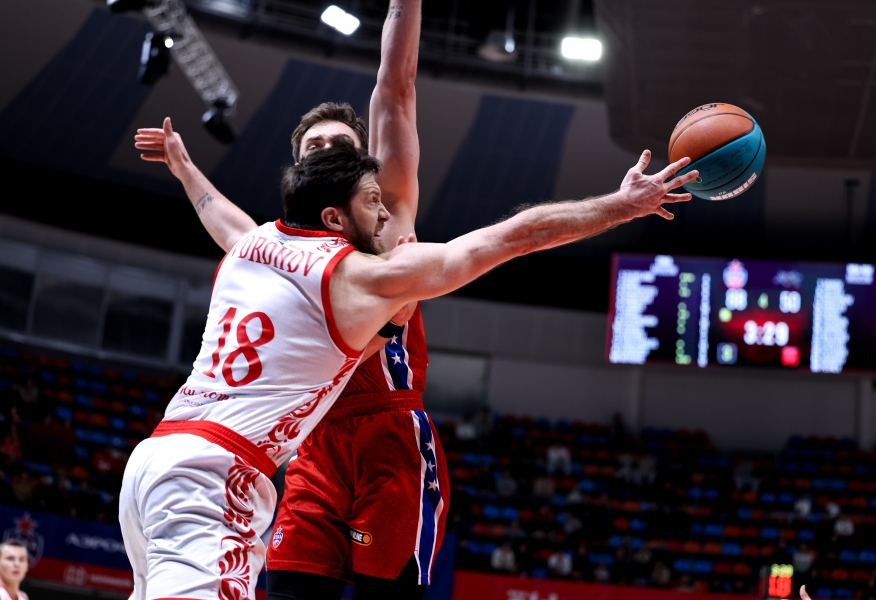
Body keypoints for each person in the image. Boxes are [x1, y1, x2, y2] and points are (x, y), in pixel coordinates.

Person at [124, 98, 697, 600]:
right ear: (334, 215)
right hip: (217, 473)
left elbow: (219, 214)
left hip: (154, 459)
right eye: (372, 201)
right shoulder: (364, 280)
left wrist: (185, 168)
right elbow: (514, 236)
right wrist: (622, 205)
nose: (385, 213)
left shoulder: (254, 245)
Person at [136, 3, 450, 599]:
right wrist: (185, 169)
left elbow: (396, 89)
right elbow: (232, 228)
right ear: (300, 164)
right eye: (315, 143)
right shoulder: (278, 250)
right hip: (313, 441)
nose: (326, 147)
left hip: (388, 433)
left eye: (340, 142)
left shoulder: (387, 214)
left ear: (364, 162)